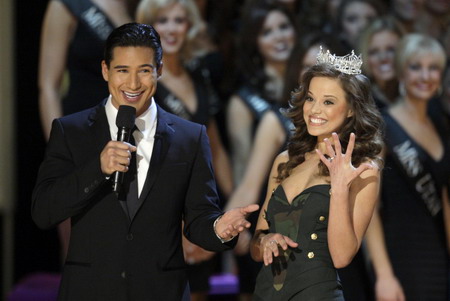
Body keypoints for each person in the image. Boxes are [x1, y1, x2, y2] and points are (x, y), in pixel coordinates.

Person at [31, 22, 258, 301]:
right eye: (122, 70)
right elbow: (44, 211)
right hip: (90, 290)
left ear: (159, 70)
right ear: (105, 70)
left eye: (144, 70)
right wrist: (97, 169)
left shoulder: (190, 137)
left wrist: (219, 229)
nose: (133, 84)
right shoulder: (72, 131)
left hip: (162, 291)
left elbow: (199, 217)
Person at [250, 47, 384, 300]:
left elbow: (342, 256)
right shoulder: (284, 161)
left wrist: (340, 187)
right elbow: (257, 241)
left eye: (328, 101)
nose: (314, 109)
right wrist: (264, 242)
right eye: (310, 98)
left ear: (352, 109)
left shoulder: (364, 170)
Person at [135, 1, 233, 299]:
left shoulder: (199, 75)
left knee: (198, 291)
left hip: (200, 211)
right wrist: (177, 228)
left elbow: (215, 151)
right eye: (162, 20)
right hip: (156, 217)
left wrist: (224, 214)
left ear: (189, 26)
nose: (171, 28)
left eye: (179, 20)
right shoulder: (140, 82)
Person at [38, 0, 136, 261]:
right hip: (80, 139)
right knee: (80, 252)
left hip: (130, 136)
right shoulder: (68, 5)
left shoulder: (140, 7)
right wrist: (60, 149)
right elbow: (48, 87)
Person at [365, 33, 450, 301]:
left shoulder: (441, 123)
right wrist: (384, 275)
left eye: (433, 68)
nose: (425, 76)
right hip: (401, 258)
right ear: (401, 71)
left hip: (439, 257)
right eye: (416, 67)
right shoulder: (382, 126)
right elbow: (369, 208)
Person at [358, 16, 404, 109]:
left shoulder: (416, 93)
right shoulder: (358, 102)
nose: (383, 58)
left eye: (391, 50)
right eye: (374, 52)